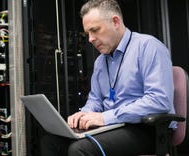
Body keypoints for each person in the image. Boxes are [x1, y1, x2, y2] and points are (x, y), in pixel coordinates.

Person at [40, 0, 176, 155]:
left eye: (95, 30)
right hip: (114, 126)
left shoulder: (148, 47)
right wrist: (84, 115)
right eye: (88, 33)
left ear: (115, 22)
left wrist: (106, 118)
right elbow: (95, 100)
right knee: (50, 141)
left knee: (80, 149)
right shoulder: (100, 61)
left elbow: (159, 100)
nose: (90, 39)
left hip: (148, 129)